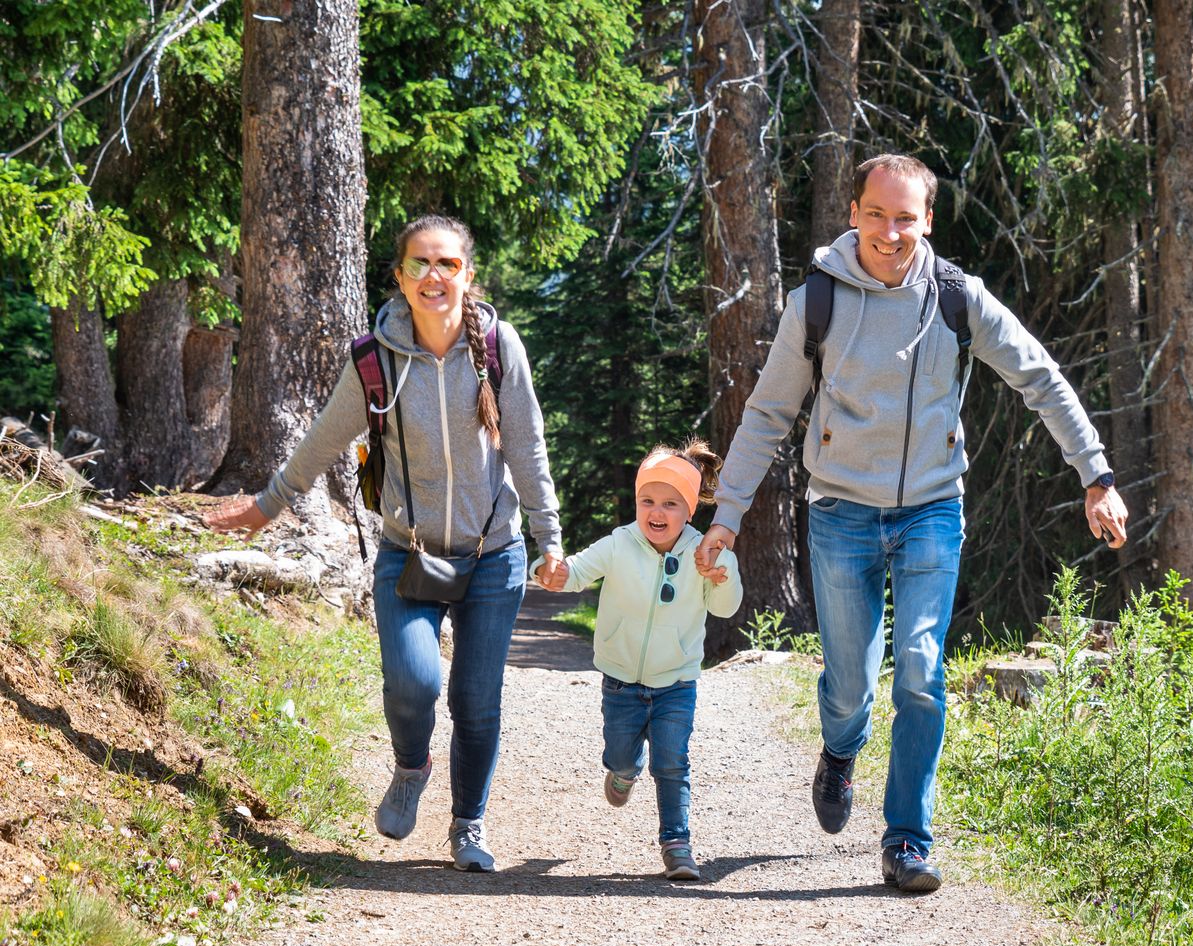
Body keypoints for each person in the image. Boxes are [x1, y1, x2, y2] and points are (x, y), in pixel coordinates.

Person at [694, 154, 1129, 893]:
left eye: (906, 217)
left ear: (927, 220)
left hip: (933, 506)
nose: (890, 233)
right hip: (840, 513)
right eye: (876, 214)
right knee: (849, 687)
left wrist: (1096, 476)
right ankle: (839, 751)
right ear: (854, 213)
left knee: (923, 674)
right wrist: (727, 514)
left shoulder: (958, 299)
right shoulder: (819, 300)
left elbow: (1040, 378)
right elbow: (769, 413)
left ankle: (907, 841)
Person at [205, 214, 563, 873]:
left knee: (476, 701)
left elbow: (528, 446)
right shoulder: (374, 358)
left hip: (495, 556)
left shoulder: (498, 345)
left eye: (447, 264)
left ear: (467, 275)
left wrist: (551, 540)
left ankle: (467, 827)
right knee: (413, 682)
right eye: (420, 264)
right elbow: (323, 439)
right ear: (398, 276)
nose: (434, 275)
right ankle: (409, 766)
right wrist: (267, 506)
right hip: (407, 550)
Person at [534, 440, 743, 881]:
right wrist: (552, 572)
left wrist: (721, 577)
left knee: (673, 761)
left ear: (689, 509)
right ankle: (624, 771)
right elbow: (575, 571)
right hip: (621, 681)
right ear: (637, 503)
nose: (657, 511)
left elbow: (725, 607)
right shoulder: (620, 543)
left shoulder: (704, 552)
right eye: (648, 500)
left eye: (671, 503)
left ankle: (677, 844)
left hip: (677, 682)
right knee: (621, 756)